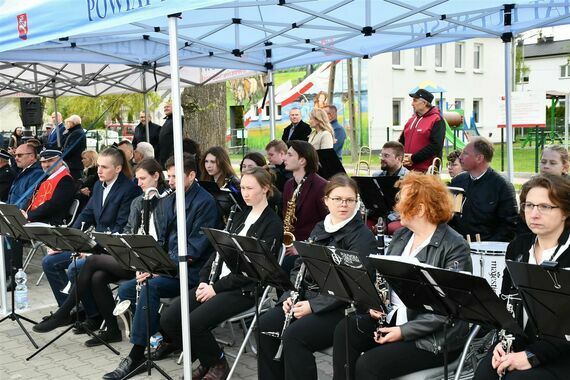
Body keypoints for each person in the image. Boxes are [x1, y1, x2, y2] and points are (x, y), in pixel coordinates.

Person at [333, 172, 472, 380]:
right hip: (395, 320)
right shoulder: (402, 236)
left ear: (421, 208)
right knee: (347, 329)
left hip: (434, 338)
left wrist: (403, 331)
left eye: (402, 201)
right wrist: (375, 304)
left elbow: (448, 309)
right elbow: (385, 282)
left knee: (369, 365)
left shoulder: (454, 246)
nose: (396, 207)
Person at [156, 167, 283, 379]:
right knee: (169, 319)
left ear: (265, 189)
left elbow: (252, 272)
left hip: (243, 289)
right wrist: (205, 281)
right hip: (216, 284)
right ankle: (208, 358)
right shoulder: (240, 215)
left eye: (250, 188)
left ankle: (217, 364)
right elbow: (217, 254)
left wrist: (215, 288)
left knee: (194, 323)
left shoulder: (272, 225)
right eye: (242, 187)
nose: (245, 192)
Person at [103, 153, 220, 380]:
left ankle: (137, 353)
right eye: (170, 176)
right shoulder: (171, 199)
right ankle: (169, 338)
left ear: (192, 175)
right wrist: (148, 263)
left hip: (193, 273)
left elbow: (194, 251)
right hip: (170, 267)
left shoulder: (205, 203)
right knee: (128, 289)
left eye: (176, 176)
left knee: (149, 288)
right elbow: (163, 241)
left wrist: (159, 269)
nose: (171, 181)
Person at [33, 158, 168, 345]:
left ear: (156, 176)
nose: (138, 184)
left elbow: (163, 238)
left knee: (91, 262)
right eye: (137, 179)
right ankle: (111, 330)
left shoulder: (165, 202)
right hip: (130, 255)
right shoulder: (138, 200)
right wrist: (76, 243)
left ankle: (64, 313)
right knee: (97, 277)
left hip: (151, 261)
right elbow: (128, 230)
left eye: (142, 179)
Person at [258, 174, 377, 380]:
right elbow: (299, 267)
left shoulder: (362, 237)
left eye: (350, 200)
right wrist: (289, 296)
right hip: (308, 300)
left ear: (356, 202)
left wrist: (313, 306)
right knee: (265, 324)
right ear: (326, 201)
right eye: (337, 199)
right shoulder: (321, 227)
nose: (343, 205)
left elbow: (353, 285)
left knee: (294, 336)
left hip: (343, 308)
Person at [473, 174, 570, 380]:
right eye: (529, 205)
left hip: (563, 353)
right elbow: (505, 303)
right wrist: (501, 342)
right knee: (484, 374)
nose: (534, 214)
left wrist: (532, 356)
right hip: (521, 343)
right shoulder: (519, 246)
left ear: (565, 212)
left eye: (545, 207)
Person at [40, 148, 140, 320]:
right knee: (49, 262)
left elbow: (121, 228)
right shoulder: (98, 186)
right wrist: (66, 241)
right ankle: (72, 311)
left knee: (74, 268)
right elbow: (86, 215)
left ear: (117, 168)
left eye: (105, 167)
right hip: (92, 245)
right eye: (99, 166)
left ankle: (94, 315)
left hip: (110, 248)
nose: (99, 170)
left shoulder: (129, 190)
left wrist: (90, 249)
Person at [450, 137, 518, 242]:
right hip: (457, 247)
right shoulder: (458, 181)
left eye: (465, 154)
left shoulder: (502, 186)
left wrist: (486, 248)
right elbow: (450, 217)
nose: (460, 157)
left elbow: (509, 226)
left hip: (486, 250)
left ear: (479, 158)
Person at [280, 140, 328, 275]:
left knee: (283, 267)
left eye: (289, 155)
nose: (284, 158)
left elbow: (328, 224)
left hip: (310, 248)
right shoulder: (289, 185)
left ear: (302, 161)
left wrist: (303, 248)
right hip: (290, 245)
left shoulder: (321, 186)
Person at [4, 142, 43, 288]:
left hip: (25, 218)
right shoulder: (24, 171)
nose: (16, 158)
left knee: (11, 232)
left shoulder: (36, 174)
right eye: (15, 155)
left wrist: (12, 214)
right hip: (13, 214)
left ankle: (13, 276)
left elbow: (29, 199)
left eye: (20, 155)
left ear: (32, 157)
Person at [25, 149, 76, 226]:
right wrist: (24, 212)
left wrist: (29, 215)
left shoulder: (66, 180)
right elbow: (33, 198)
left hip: (50, 224)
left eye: (50, 161)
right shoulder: (47, 177)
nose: (46, 165)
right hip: (37, 220)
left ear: (60, 161)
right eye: (43, 162)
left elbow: (53, 205)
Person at [399, 89, 445, 173]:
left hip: (426, 171)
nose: (412, 104)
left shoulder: (437, 119)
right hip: (406, 170)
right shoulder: (411, 120)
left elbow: (436, 146)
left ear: (424, 103)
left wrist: (413, 159)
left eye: (415, 101)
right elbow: (401, 142)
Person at [372, 141, 409, 234]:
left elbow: (406, 209)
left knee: (392, 227)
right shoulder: (376, 176)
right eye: (381, 155)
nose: (382, 158)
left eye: (386, 156)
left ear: (399, 158)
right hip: (378, 215)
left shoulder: (409, 179)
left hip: (397, 217)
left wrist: (386, 220)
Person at [61, 114, 87, 180]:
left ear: (73, 123)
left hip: (73, 166)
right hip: (73, 165)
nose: (67, 124)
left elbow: (70, 149)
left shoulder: (77, 133)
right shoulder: (75, 132)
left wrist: (61, 155)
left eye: (68, 122)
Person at [158, 101, 184, 167]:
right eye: (164, 107)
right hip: (164, 156)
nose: (165, 109)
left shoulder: (179, 119)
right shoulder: (168, 120)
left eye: (168, 107)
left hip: (173, 155)